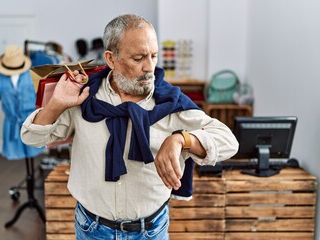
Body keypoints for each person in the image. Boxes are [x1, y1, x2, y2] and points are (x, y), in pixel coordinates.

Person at [21, 14, 238, 240]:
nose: (149, 67)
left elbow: (229, 143)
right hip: (91, 229)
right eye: (138, 58)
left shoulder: (171, 103)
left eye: (153, 56)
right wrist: (56, 105)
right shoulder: (84, 98)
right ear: (111, 59)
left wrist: (182, 139)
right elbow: (31, 138)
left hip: (151, 231)